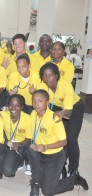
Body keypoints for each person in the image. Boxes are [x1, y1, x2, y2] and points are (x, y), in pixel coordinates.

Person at [36, 62, 88, 190]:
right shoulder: (42, 85)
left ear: (57, 75)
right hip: (57, 108)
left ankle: (73, 170)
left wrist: (59, 115)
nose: (47, 79)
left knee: (71, 139)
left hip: (74, 108)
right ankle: (61, 168)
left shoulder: (65, 86)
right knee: (58, 139)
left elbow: (68, 112)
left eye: (51, 75)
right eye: (45, 76)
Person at [27, 90, 77, 196]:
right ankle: (35, 182)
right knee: (30, 150)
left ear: (47, 103)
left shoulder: (55, 118)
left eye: (40, 101)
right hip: (40, 154)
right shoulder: (33, 114)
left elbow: (64, 142)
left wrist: (46, 146)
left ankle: (72, 180)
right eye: (34, 101)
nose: (36, 104)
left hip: (54, 157)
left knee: (47, 191)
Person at [1, 94, 31, 177]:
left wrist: (19, 144)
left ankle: (29, 162)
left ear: (22, 107)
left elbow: (28, 139)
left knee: (31, 149)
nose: (13, 108)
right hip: (12, 145)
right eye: (11, 105)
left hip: (25, 145)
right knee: (8, 172)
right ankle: (19, 160)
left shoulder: (28, 119)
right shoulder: (3, 115)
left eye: (17, 106)